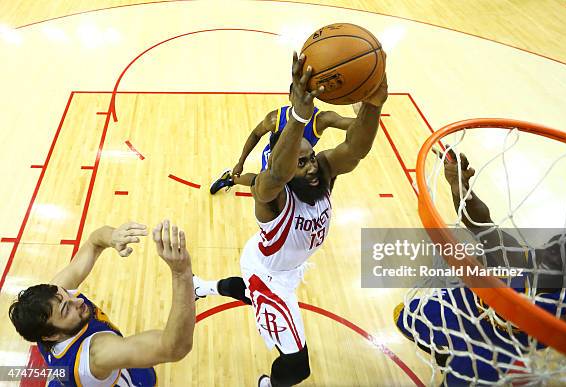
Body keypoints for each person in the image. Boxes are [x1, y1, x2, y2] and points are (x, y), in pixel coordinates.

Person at [194, 51, 388, 386]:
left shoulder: (322, 172)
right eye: (302, 164)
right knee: (298, 367)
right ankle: (268, 384)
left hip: (282, 264)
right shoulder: (271, 198)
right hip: (269, 276)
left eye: (311, 158)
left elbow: (355, 148)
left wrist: (373, 104)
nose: (312, 167)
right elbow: (274, 175)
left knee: (249, 295)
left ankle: (203, 286)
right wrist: (298, 115)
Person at [394, 149, 566, 384]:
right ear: (547, 244)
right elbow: (480, 222)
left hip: (494, 348)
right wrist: (460, 186)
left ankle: (459, 362)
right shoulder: (517, 256)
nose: (555, 258)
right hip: (463, 309)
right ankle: (445, 353)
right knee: (405, 317)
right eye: (555, 248)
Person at [9, 220, 195, 386]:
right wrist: (181, 274)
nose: (77, 300)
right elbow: (174, 347)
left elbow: (94, 241)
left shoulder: (51, 308)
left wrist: (113, 237)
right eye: (67, 309)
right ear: (51, 336)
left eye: (67, 294)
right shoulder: (97, 354)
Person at [209, 85, 357, 194]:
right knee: (258, 185)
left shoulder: (321, 119)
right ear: (290, 96)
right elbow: (255, 134)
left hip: (301, 163)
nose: (303, 101)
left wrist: (366, 109)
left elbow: (355, 125)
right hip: (275, 159)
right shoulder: (276, 118)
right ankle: (231, 179)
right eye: (298, 96)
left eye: (307, 96)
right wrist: (240, 162)